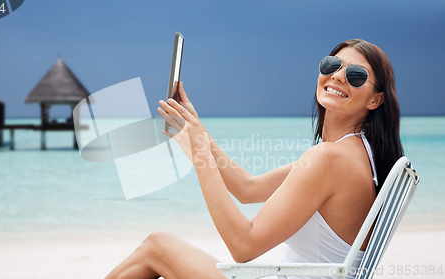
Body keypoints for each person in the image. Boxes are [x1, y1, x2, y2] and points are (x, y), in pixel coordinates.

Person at [104, 39, 404, 279]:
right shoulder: (355, 153)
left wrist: (200, 156)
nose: (338, 75)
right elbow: (248, 188)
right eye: (333, 64)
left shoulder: (331, 158)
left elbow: (243, 246)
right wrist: (200, 133)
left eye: (356, 75)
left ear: (375, 99)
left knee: (158, 246)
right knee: (158, 246)